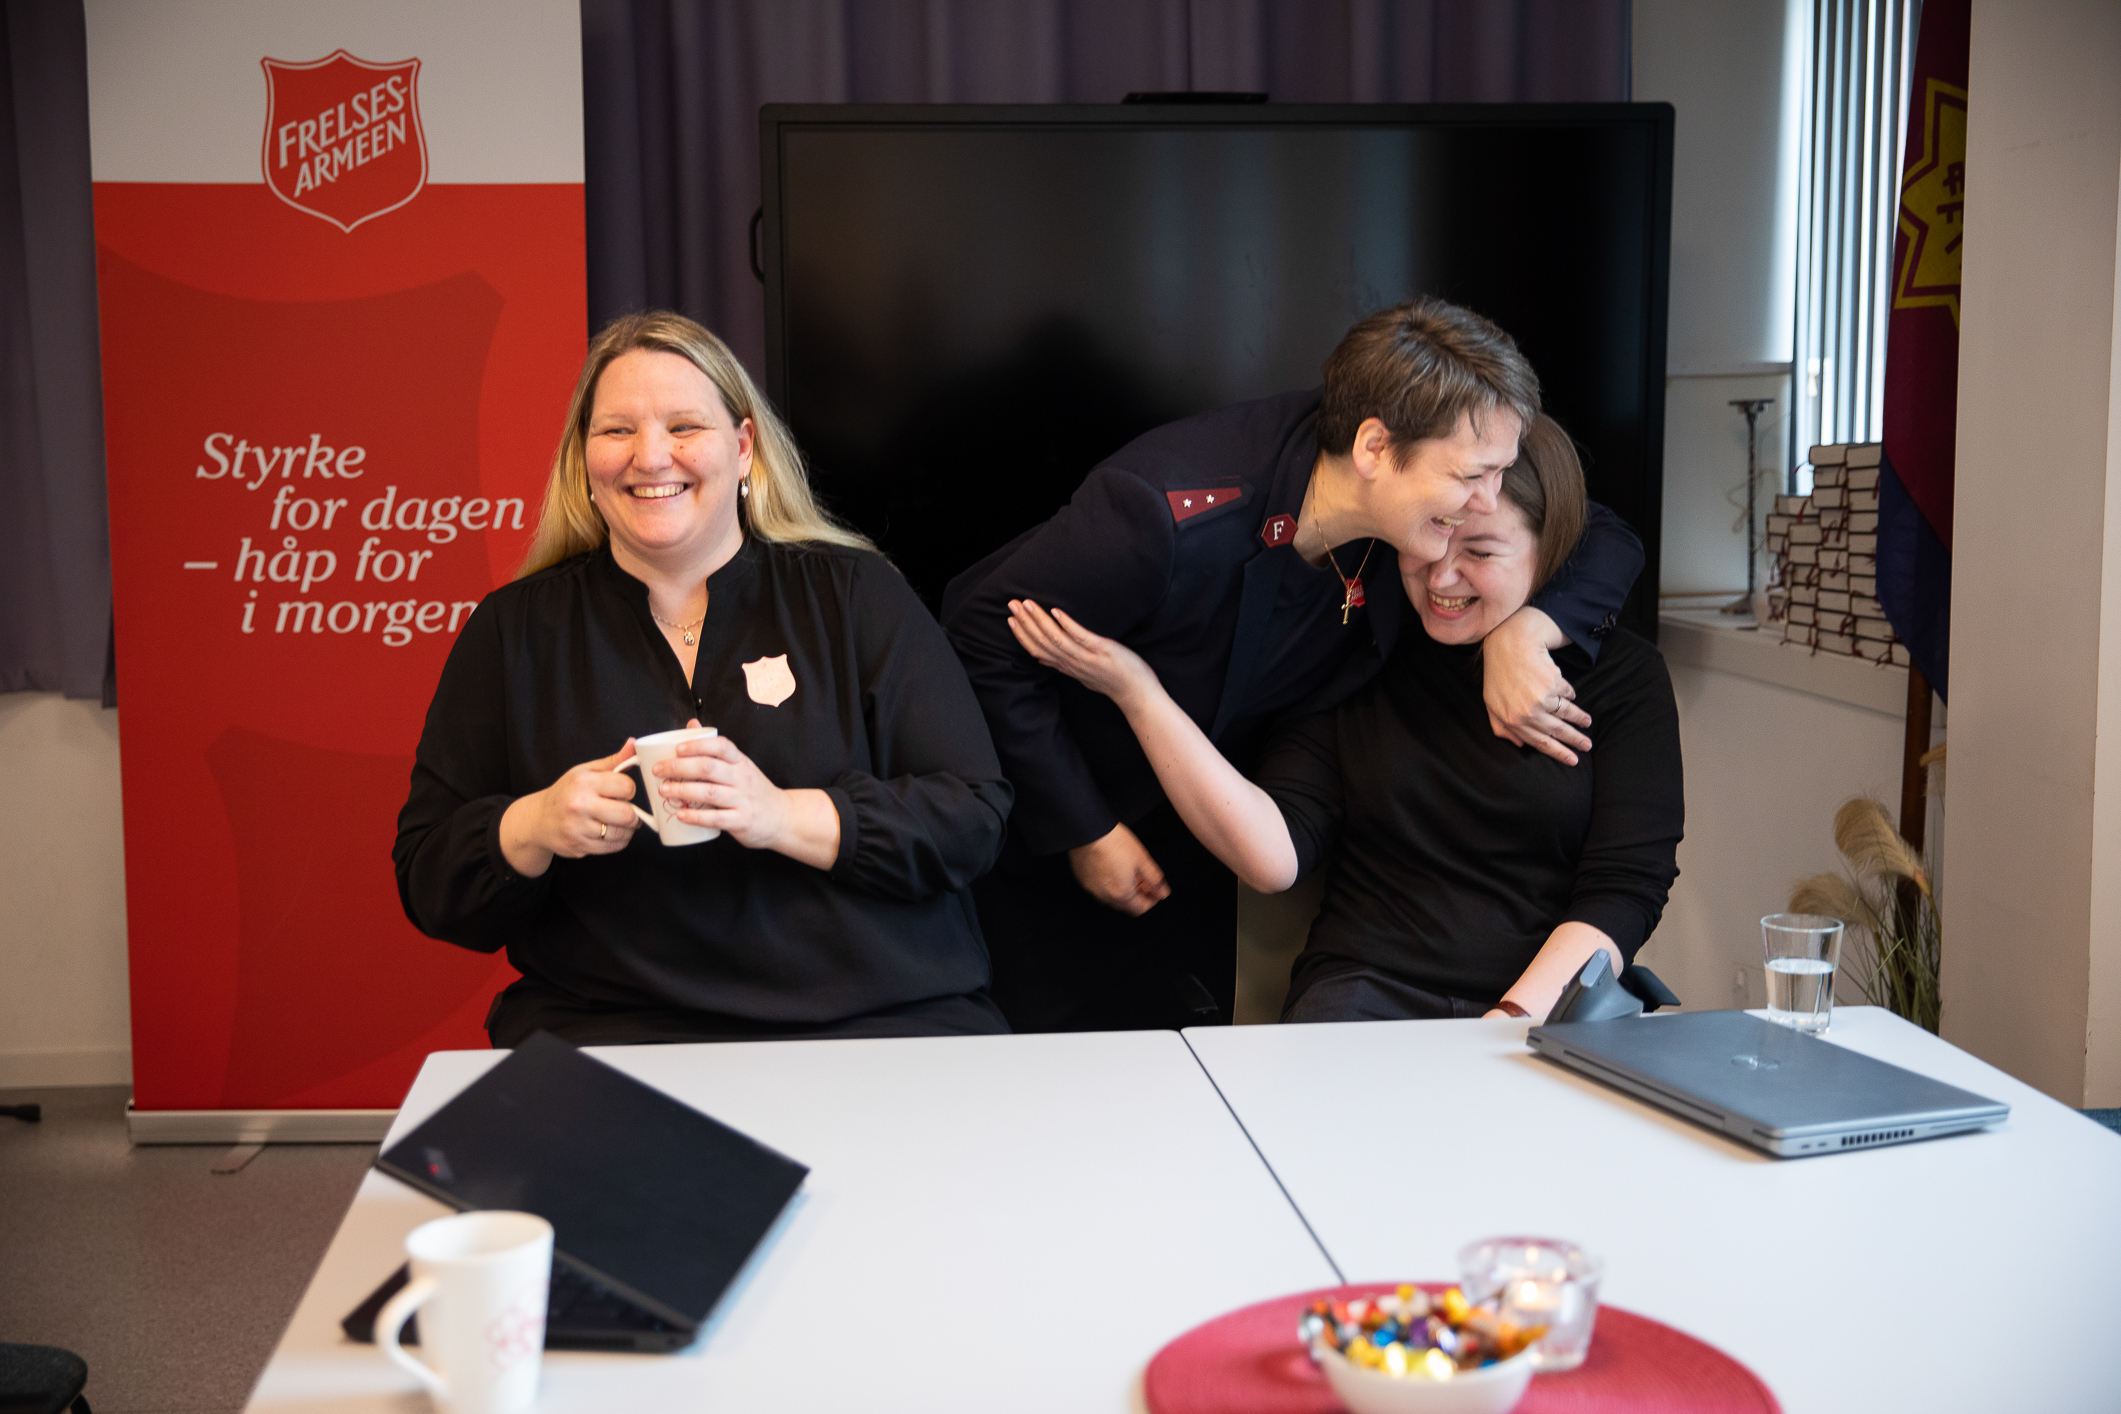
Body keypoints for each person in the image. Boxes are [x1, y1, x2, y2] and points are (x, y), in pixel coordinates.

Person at [941, 298, 1645, 1032]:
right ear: (1374, 449)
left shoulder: (1403, 488)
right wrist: (1086, 828)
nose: (1486, 500)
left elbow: (1604, 533)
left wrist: (1522, 635)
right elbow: (980, 636)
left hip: (1208, 821)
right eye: (1474, 475)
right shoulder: (1161, 512)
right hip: (1057, 820)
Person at [393, 312, 1013, 1045]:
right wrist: (535, 825)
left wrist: (778, 814)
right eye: (617, 431)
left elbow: (972, 817)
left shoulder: (853, 594)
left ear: (744, 448)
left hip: (878, 1019)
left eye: (684, 426)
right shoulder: (513, 630)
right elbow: (429, 879)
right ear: (583, 459)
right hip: (611, 1026)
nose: (650, 457)